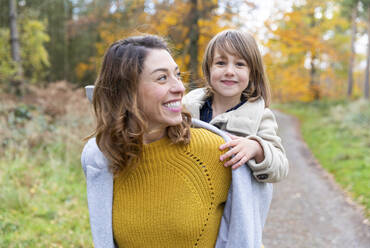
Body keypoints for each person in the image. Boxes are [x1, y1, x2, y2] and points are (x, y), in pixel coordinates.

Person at [82, 34, 271, 248]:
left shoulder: (219, 151)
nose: (180, 88)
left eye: (177, 75)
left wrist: (258, 147)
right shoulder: (101, 156)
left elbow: (251, 228)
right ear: (127, 90)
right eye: (162, 78)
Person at [183, 29, 288, 183]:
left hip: (231, 203)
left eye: (240, 64)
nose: (229, 71)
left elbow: (281, 167)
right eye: (220, 63)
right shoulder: (186, 107)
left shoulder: (260, 116)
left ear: (252, 73)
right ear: (208, 69)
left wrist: (257, 148)